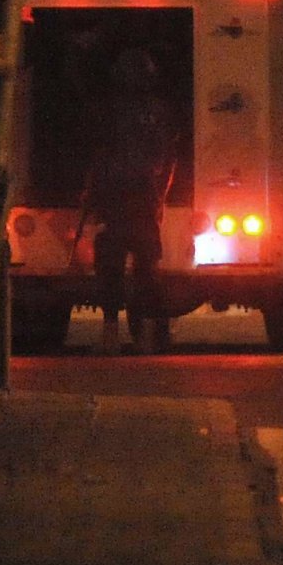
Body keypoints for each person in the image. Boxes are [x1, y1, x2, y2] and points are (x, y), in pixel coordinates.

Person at [80, 48, 177, 355]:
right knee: (148, 270)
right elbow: (168, 159)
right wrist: (160, 198)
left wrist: (90, 197)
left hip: (114, 198)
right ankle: (146, 337)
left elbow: (96, 156)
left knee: (110, 270)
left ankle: (110, 336)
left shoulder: (105, 110)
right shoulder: (159, 112)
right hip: (144, 200)